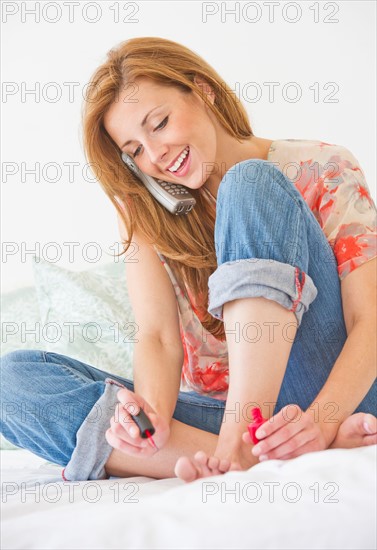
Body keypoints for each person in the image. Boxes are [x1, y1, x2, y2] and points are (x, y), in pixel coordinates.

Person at [1, 37, 376, 484]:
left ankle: (243, 448)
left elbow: (369, 317)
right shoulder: (145, 213)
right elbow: (158, 339)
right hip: (223, 417)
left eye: (158, 123)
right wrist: (150, 419)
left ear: (202, 90)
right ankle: (247, 454)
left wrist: (323, 421)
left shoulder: (323, 167)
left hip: (330, 394)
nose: (154, 154)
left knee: (249, 182)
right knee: (12, 382)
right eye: (135, 149)